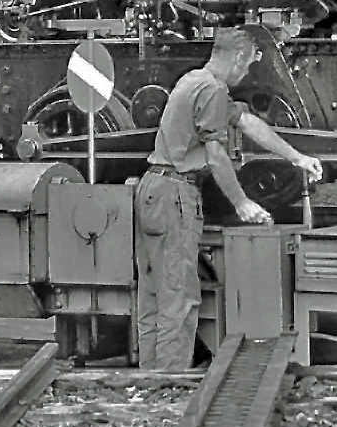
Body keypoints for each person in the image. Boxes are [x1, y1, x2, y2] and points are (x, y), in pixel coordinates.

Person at [135, 28, 324, 370]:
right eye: (249, 64)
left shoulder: (195, 81)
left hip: (153, 190)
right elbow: (216, 156)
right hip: (175, 193)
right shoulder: (211, 89)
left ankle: (150, 380)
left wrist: (296, 157)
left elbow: (248, 123)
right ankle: (167, 384)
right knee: (179, 297)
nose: (247, 73)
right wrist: (242, 203)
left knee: (154, 296)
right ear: (238, 57)